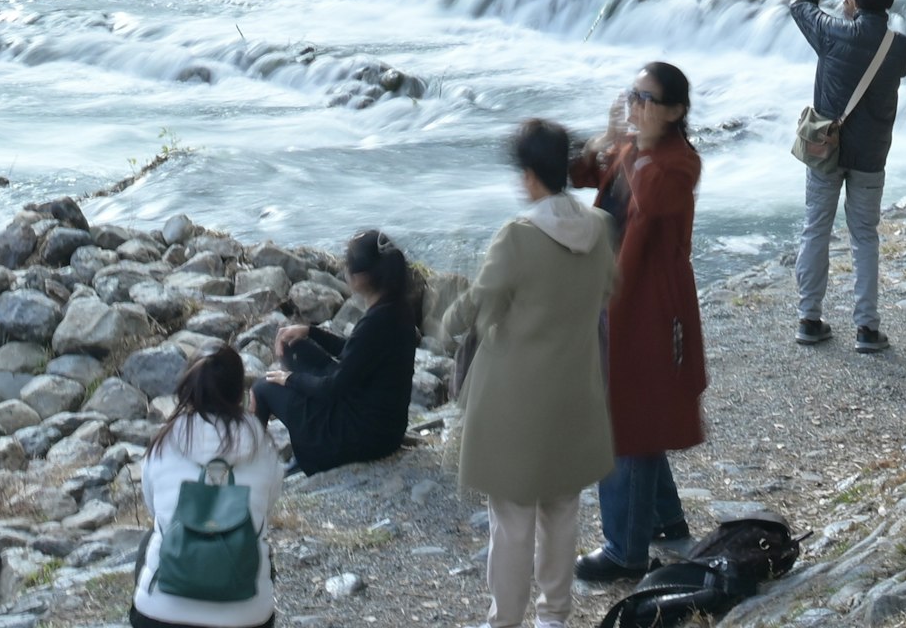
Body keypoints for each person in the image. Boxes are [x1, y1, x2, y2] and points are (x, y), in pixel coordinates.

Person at [453, 118, 616, 628]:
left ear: (527, 176)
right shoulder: (600, 228)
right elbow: (608, 291)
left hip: (515, 398)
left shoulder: (517, 237)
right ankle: (555, 617)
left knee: (513, 519)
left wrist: (440, 314)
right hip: (576, 388)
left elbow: (479, 305)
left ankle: (505, 620)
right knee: (563, 508)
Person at [579, 62, 707, 582]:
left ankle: (623, 551)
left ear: (676, 110)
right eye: (633, 94)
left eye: (647, 98)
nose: (636, 106)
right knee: (639, 410)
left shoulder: (679, 162)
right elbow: (580, 175)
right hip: (617, 299)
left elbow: (651, 200)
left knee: (626, 419)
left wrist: (630, 146)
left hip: (652, 307)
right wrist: (605, 141)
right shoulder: (635, 150)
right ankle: (664, 517)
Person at [786, 0, 906, 351]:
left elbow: (798, 2)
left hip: (826, 149)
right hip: (871, 155)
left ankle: (809, 318)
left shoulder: (831, 33)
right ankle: (867, 329)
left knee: (816, 228)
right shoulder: (901, 47)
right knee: (865, 237)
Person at [253, 229, 424, 476]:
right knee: (294, 347)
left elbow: (333, 387)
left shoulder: (377, 321)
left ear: (362, 278)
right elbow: (359, 355)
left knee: (263, 388)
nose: (345, 270)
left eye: (348, 265)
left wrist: (290, 380)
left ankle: (252, 470)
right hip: (384, 427)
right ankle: (303, 441)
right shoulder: (397, 308)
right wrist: (311, 332)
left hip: (361, 438)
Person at [131, 346, 280, 628]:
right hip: (246, 619)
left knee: (154, 535)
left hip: (159, 616)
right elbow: (266, 509)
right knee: (258, 542)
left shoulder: (164, 441)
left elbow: (154, 507)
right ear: (240, 393)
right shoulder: (262, 445)